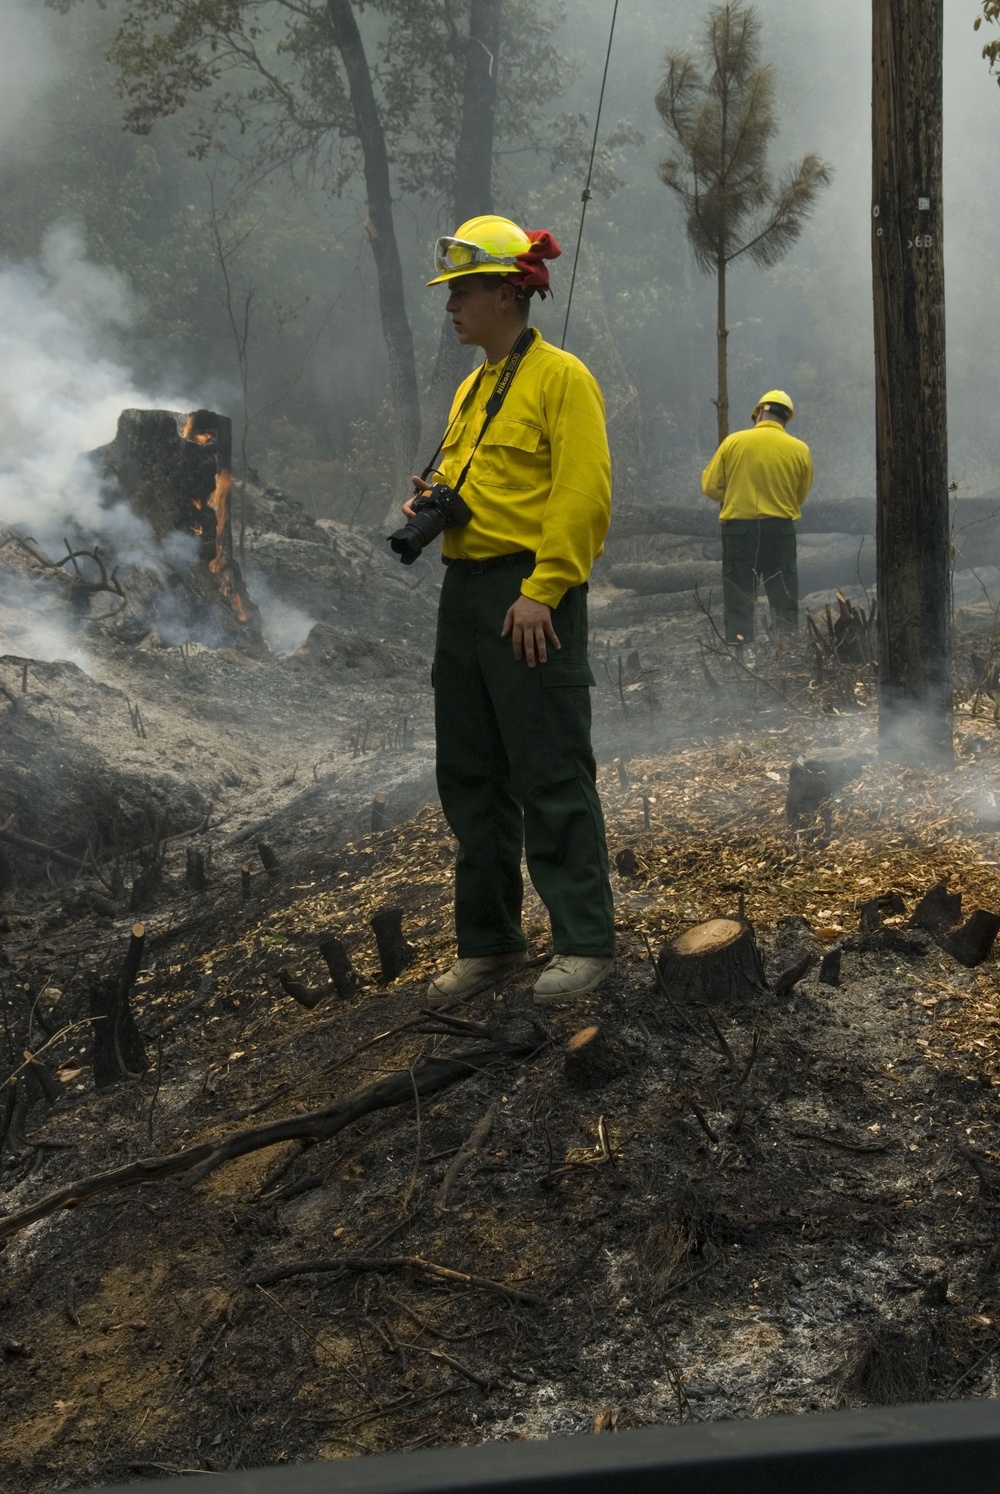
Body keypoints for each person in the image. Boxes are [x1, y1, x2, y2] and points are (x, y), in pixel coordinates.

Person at [399, 214, 615, 1006]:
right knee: (470, 771)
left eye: (463, 290)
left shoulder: (563, 378)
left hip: (529, 594)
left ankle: (586, 940)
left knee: (550, 766)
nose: (452, 304)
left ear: (506, 291)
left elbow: (583, 495)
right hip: (466, 594)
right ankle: (488, 942)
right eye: (452, 290)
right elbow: (480, 486)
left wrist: (543, 588)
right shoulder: (473, 387)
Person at [701, 389, 814, 646]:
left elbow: (710, 487)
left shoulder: (734, 442)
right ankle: (786, 654)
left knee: (739, 596)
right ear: (786, 419)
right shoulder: (800, 450)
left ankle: (742, 655)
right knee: (784, 598)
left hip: (739, 532)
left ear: (759, 412)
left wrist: (734, 491)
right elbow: (799, 496)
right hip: (780, 532)